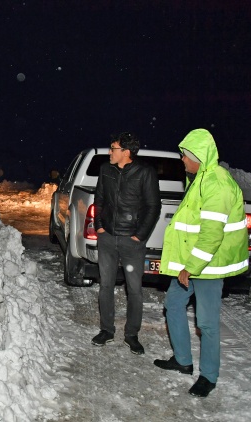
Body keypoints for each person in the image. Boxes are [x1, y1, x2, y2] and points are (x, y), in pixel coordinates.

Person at [154, 129, 249, 397]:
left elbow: (211, 234)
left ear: (200, 156)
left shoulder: (217, 184)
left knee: (206, 322)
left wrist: (191, 267)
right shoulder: (199, 178)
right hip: (194, 261)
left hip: (208, 265)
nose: (182, 160)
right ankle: (183, 360)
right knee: (173, 303)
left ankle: (208, 376)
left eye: (185, 156)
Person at [92, 132, 161, 354]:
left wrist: (139, 235)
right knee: (105, 285)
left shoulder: (145, 173)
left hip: (132, 242)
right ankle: (107, 330)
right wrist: (100, 227)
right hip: (108, 238)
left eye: (113, 148)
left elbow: (153, 206)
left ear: (126, 152)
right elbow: (99, 198)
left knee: (134, 289)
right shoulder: (106, 170)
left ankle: (131, 335)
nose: (109, 152)